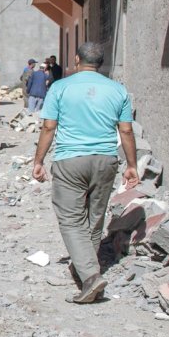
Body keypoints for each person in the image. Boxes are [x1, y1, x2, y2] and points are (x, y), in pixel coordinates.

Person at [32, 42, 138, 304]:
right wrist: (132, 165)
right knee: (94, 217)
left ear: (77, 59)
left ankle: (90, 276)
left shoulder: (60, 87)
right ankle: (86, 270)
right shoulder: (118, 90)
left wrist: (39, 160)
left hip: (71, 160)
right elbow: (125, 130)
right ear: (100, 63)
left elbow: (48, 127)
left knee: (71, 219)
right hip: (105, 160)